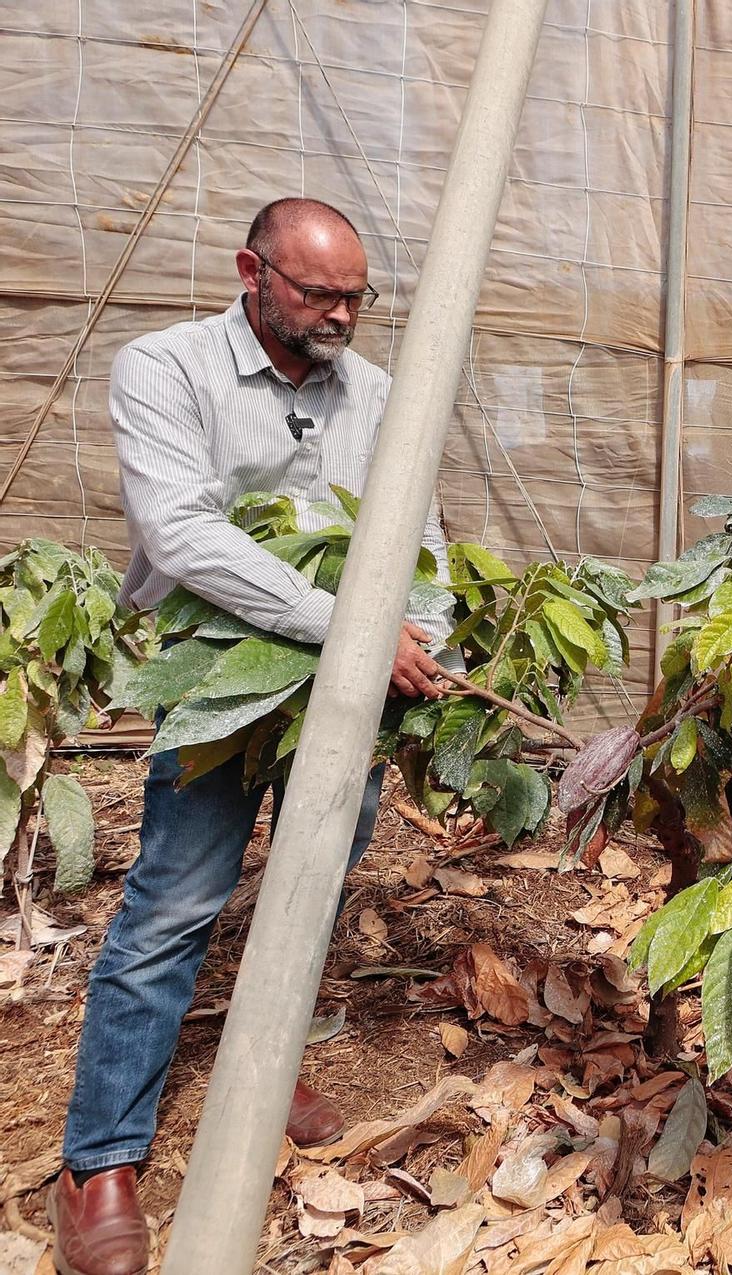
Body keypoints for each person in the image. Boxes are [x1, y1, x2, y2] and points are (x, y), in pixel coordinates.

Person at [49, 197, 453, 1275]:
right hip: (225, 676)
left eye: (356, 296)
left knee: (314, 878)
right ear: (251, 272)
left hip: (349, 688)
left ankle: (260, 1060)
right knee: (175, 901)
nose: (341, 315)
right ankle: (99, 1162)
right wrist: (355, 629)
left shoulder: (372, 391)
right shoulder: (164, 368)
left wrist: (430, 637)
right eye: (318, 292)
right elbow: (181, 535)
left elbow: (420, 531)